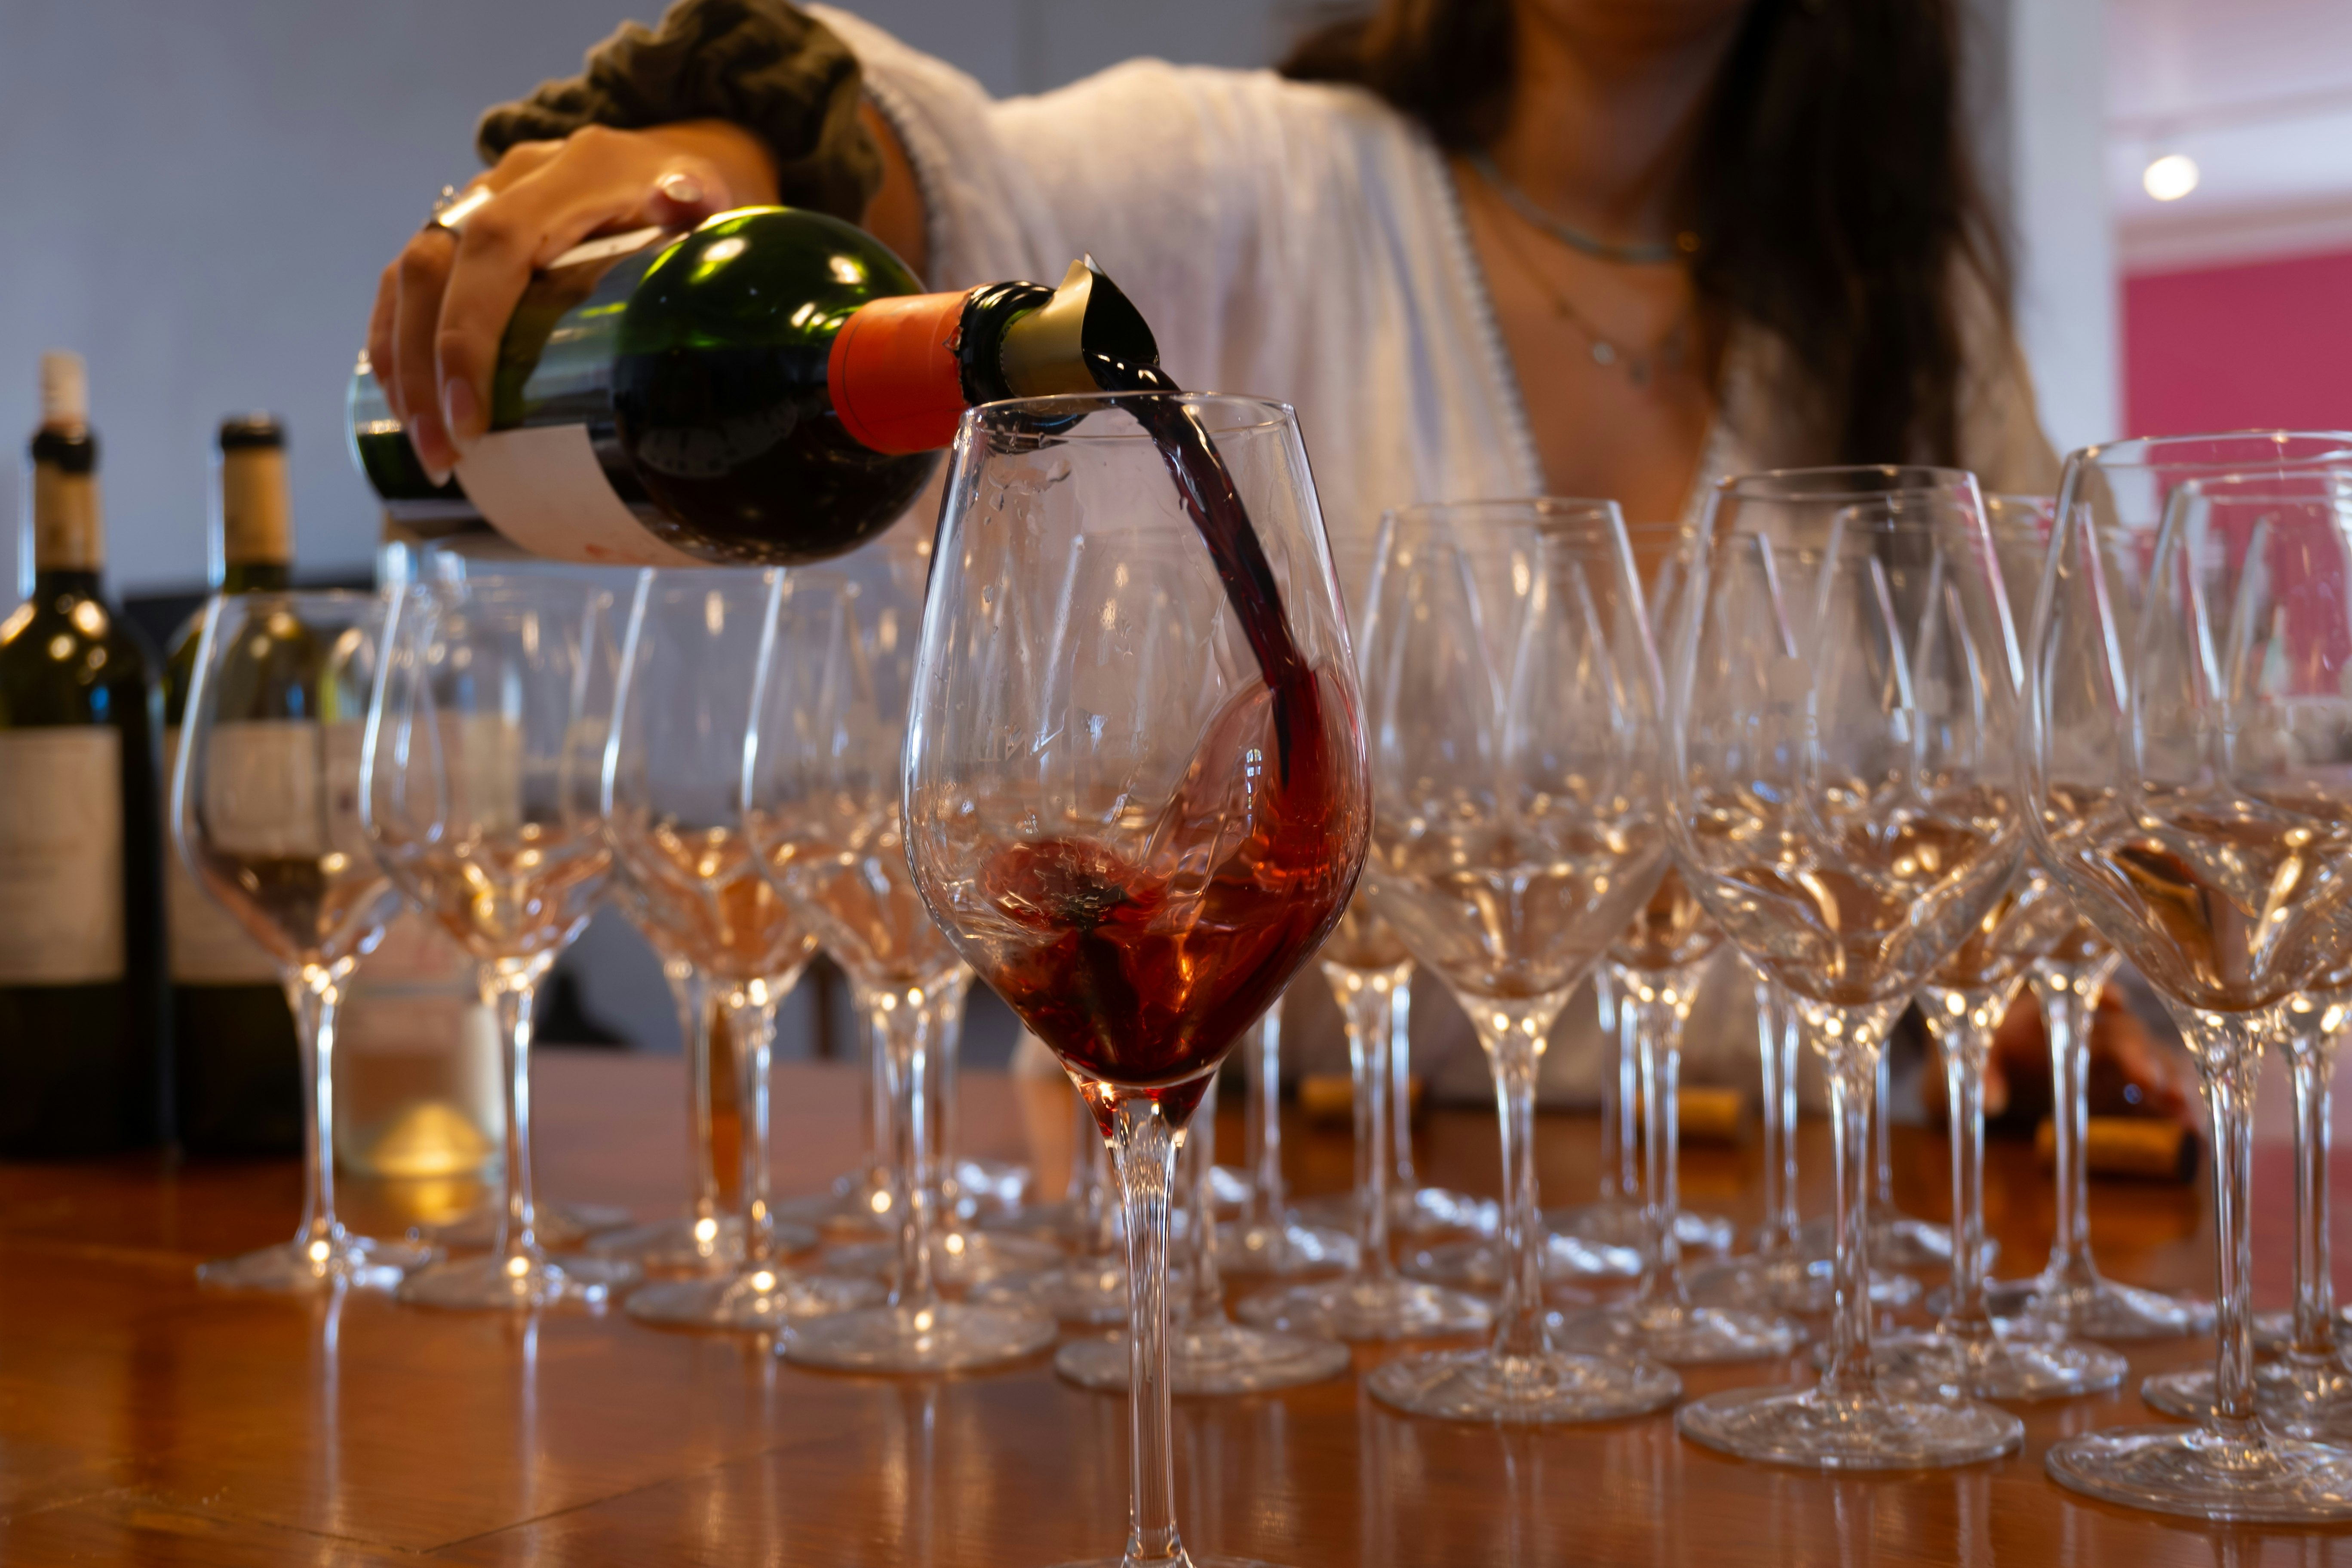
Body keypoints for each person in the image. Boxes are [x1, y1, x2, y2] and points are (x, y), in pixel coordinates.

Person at [365, 0, 2121, 1111]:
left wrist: (2079, 997)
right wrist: (715, 162)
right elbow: (924, 180)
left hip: (1782, 1275)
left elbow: (2056, 772)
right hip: (1284, 1281)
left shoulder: (1906, 317)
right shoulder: (1260, 180)